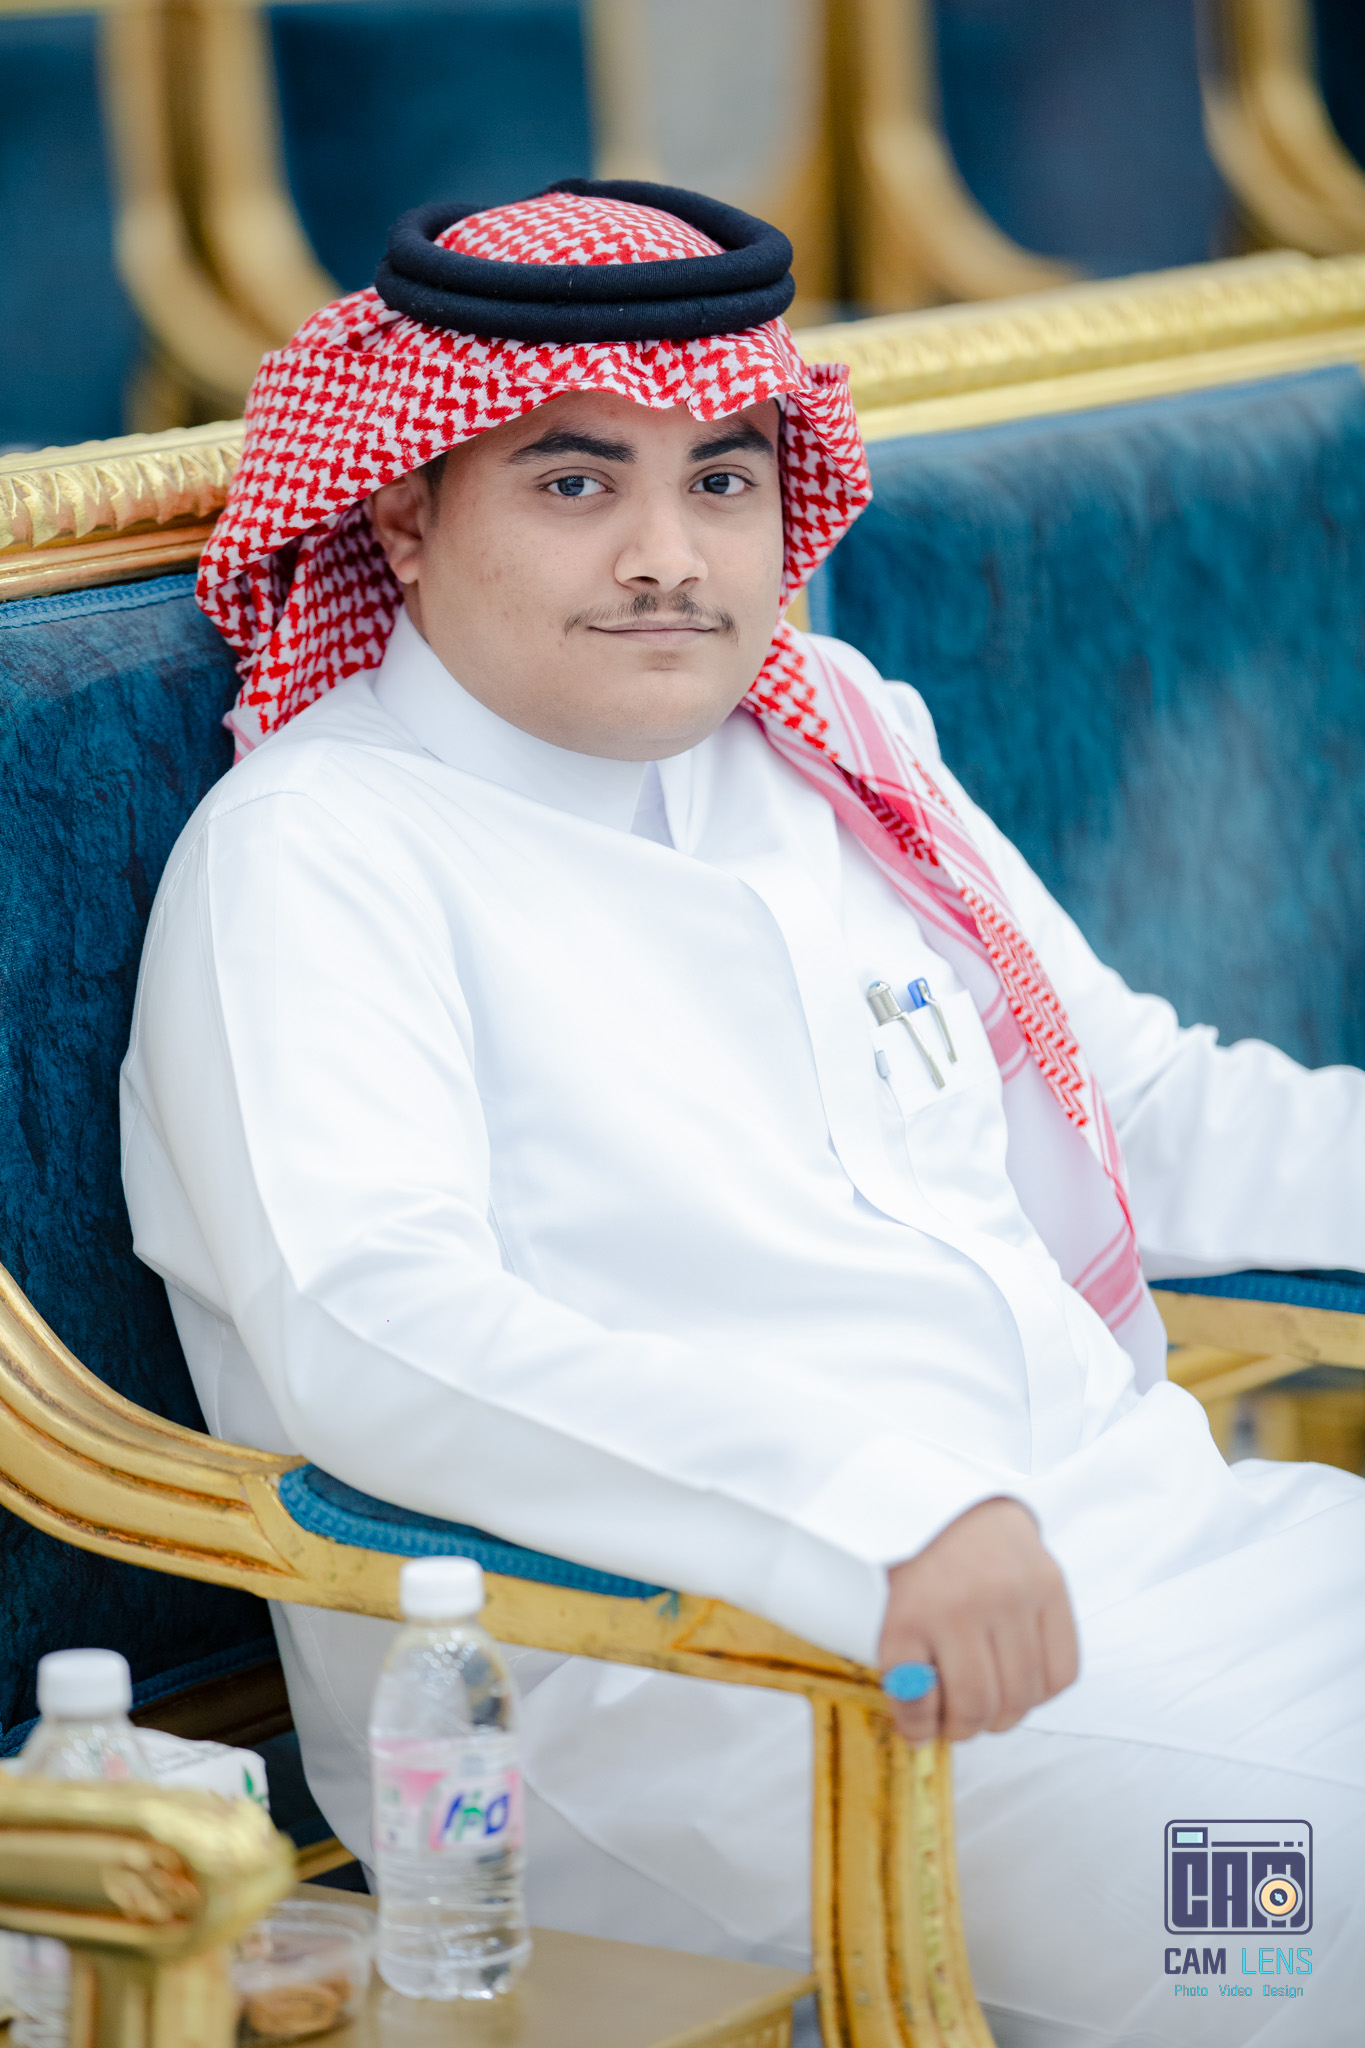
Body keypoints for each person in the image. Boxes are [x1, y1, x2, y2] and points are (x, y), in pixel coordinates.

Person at [120, 182, 1365, 2046]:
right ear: (404, 505)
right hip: (715, 1693)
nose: (665, 556)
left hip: (1151, 1552)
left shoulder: (827, 730)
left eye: (719, 478)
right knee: (1320, 1906)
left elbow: (1138, 1110)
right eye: (572, 481)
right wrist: (877, 1513)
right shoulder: (318, 850)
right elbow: (372, 1327)